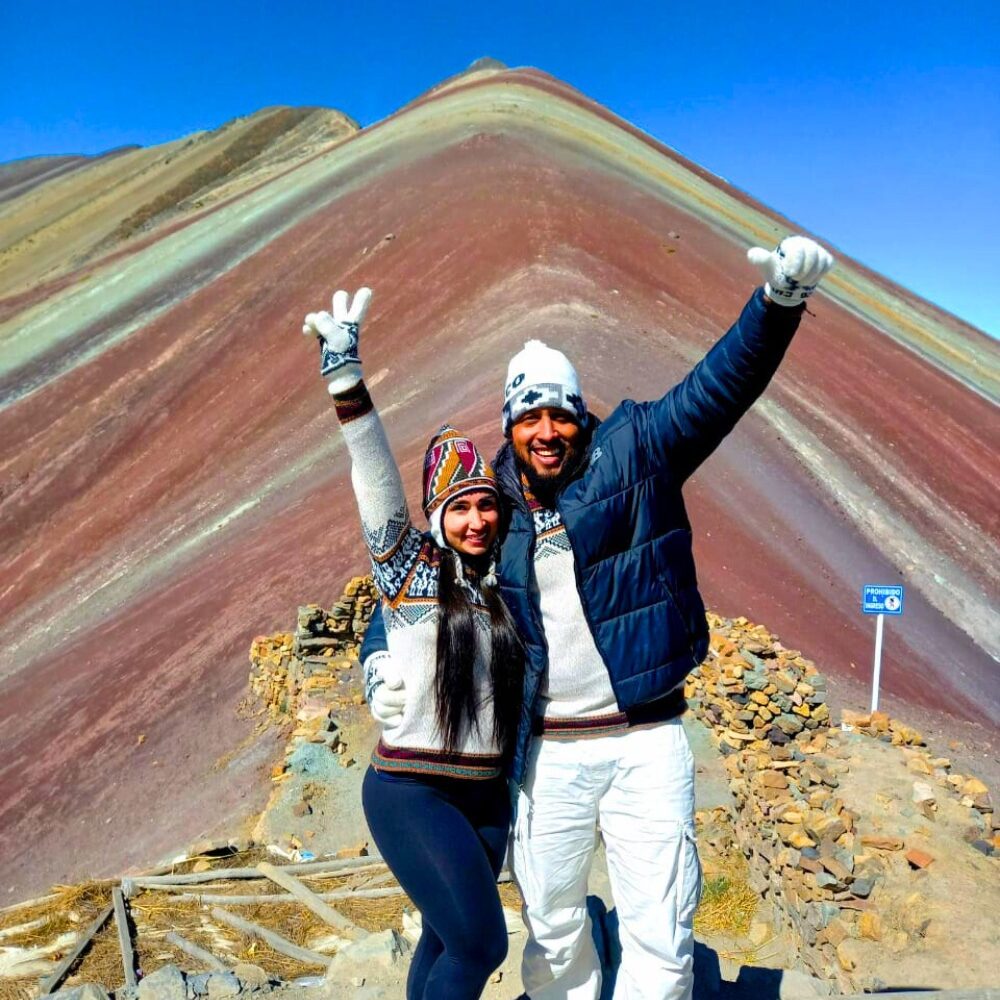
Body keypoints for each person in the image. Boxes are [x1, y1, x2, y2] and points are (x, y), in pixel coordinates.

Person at [361, 235, 835, 999]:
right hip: (547, 755)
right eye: (528, 415)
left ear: (582, 415)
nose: (547, 429)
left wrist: (777, 305)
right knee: (551, 925)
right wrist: (375, 662)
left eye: (560, 411)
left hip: (647, 739)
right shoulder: (490, 510)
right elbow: (411, 591)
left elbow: (719, 389)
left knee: (660, 925)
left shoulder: (637, 450)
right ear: (509, 425)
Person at [302, 288, 523, 1000]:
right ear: (435, 516)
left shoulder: (509, 581)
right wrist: (347, 383)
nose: (477, 518)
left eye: (487, 502)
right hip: (413, 793)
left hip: (487, 798)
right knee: (482, 943)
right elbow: (377, 487)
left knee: (442, 936)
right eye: (460, 506)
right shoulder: (409, 571)